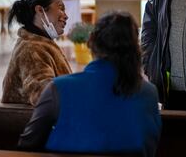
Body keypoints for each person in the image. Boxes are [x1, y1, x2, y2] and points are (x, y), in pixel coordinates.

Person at [18, 12, 162, 157]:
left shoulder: (59, 89)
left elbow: (28, 144)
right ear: (135, 50)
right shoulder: (148, 92)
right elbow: (150, 146)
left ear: (90, 42)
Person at [2, 0, 72, 106]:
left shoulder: (38, 43)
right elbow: (43, 94)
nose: (66, 16)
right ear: (40, 10)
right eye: (60, 8)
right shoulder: (31, 49)